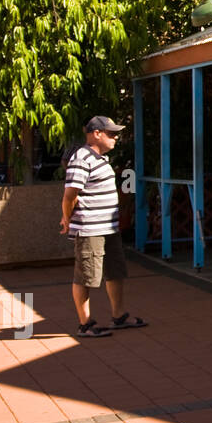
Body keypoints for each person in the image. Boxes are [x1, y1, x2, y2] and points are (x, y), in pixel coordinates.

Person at [59, 116, 147, 338]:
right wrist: (67, 218)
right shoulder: (82, 158)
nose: (116, 137)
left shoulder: (101, 159)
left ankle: (119, 316)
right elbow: (70, 194)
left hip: (108, 228)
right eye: (111, 133)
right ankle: (85, 324)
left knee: (115, 271)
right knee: (85, 276)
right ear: (96, 133)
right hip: (90, 229)